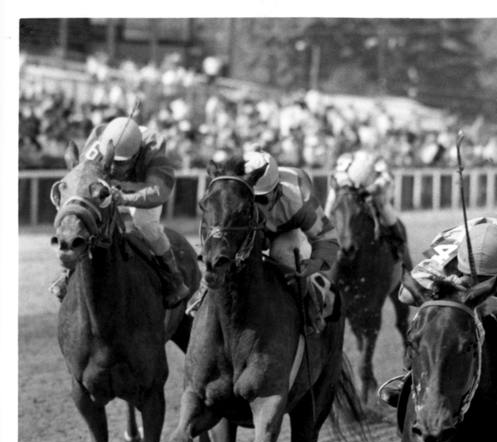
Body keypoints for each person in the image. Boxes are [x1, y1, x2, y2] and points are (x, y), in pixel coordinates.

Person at [382, 217, 497, 428]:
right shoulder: (453, 246)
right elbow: (405, 293)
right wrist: (445, 287)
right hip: (461, 272)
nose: (476, 284)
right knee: (430, 318)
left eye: (485, 279)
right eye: (470, 276)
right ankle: (409, 378)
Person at [188, 150, 341, 333]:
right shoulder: (235, 192)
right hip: (245, 227)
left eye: (261, 199)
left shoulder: (299, 199)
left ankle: (310, 307)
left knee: (281, 252)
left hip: (282, 232)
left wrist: (313, 265)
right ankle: (203, 290)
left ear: (277, 190)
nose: (256, 206)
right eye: (251, 199)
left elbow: (328, 238)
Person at [49, 116, 191, 308]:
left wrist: (125, 197)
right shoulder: (98, 141)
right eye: (112, 160)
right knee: (86, 219)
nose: (114, 167)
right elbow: (82, 179)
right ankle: (67, 273)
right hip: (107, 187)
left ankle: (174, 278)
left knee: (145, 224)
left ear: (136, 153)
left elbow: (158, 191)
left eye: (121, 163)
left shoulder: (153, 148)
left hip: (142, 188)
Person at [326, 149, 412, 272]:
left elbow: (386, 178)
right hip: (346, 189)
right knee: (330, 208)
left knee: (383, 205)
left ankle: (399, 243)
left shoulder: (377, 159)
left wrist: (370, 190)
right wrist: (347, 186)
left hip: (372, 191)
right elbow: (336, 175)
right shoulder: (347, 158)